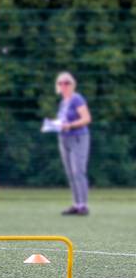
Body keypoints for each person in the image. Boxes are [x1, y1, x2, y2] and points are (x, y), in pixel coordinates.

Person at [52, 72, 91, 216]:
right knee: (70, 173)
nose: (64, 85)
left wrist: (71, 125)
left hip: (78, 138)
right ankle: (76, 204)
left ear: (72, 84)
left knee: (78, 171)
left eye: (67, 82)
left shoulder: (77, 99)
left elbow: (86, 118)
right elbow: (62, 121)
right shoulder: (63, 102)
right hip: (64, 139)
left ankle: (83, 205)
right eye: (60, 83)